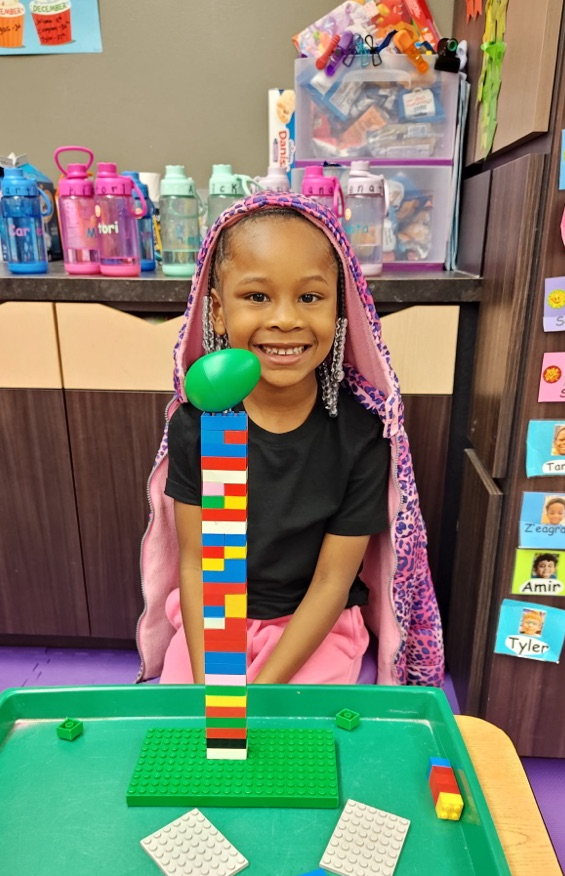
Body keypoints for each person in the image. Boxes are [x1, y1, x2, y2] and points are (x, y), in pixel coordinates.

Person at [136, 192, 443, 687]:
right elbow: (198, 568)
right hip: (217, 620)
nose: (285, 319)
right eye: (257, 296)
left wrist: (260, 689)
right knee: (197, 734)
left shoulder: (360, 437)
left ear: (338, 309)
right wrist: (214, 680)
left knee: (293, 738)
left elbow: (330, 583)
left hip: (315, 629)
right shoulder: (202, 425)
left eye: (310, 297)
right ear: (217, 311)